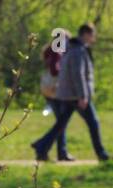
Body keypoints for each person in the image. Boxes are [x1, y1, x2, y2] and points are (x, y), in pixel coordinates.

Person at [31, 23, 113, 163]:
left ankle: (42, 146)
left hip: (67, 94)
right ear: (86, 34)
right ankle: (102, 154)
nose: (94, 38)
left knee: (61, 124)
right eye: (92, 34)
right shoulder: (78, 50)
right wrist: (83, 96)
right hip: (75, 95)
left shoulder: (72, 49)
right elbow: (79, 75)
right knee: (93, 123)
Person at [39, 32, 73, 161]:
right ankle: (55, 151)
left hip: (48, 90)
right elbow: (54, 70)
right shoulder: (57, 52)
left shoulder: (50, 50)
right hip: (55, 91)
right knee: (61, 122)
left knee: (61, 121)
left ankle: (58, 151)